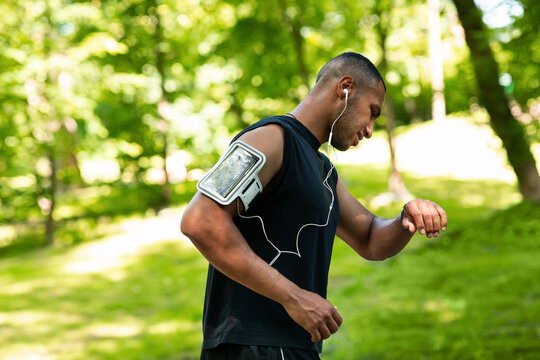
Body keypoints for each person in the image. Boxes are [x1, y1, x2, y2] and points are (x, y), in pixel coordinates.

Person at [180, 52, 447, 360]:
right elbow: (200, 220)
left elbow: (370, 238)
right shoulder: (269, 138)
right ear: (345, 88)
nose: (371, 129)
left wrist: (406, 217)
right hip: (252, 344)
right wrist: (293, 297)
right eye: (372, 112)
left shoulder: (324, 172)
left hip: (295, 346)